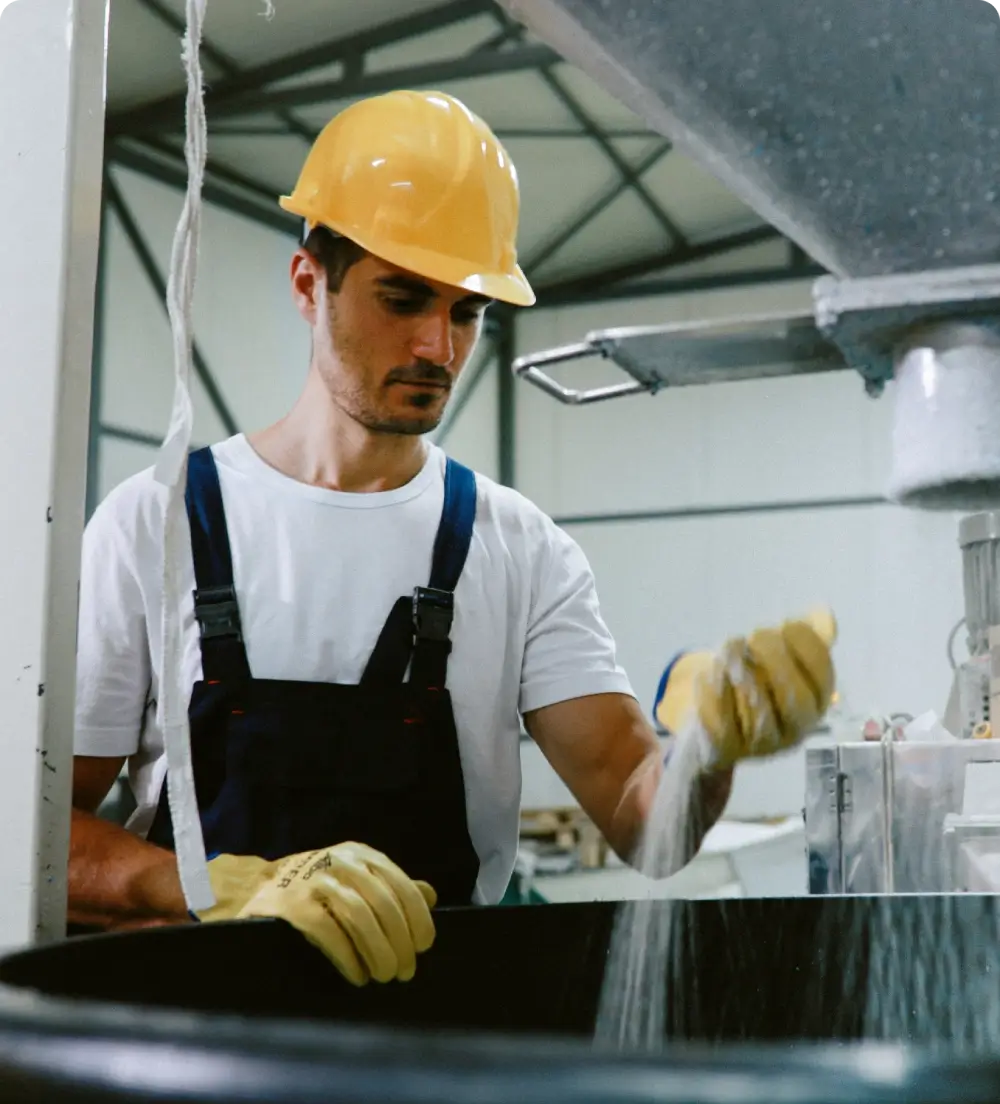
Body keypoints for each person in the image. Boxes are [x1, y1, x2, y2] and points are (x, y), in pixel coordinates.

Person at [69, 90, 835, 986]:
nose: (438, 345)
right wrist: (204, 886)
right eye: (403, 298)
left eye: (468, 312)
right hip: (194, 1051)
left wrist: (709, 746)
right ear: (309, 285)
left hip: (434, 1050)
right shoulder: (156, 523)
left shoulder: (520, 548)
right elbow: (42, 830)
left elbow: (642, 818)